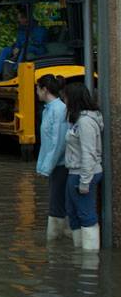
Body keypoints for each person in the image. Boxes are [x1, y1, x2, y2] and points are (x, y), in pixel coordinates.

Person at [62, 82, 103, 250]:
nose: (64, 102)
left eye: (65, 98)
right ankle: (80, 253)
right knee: (73, 212)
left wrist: (85, 181)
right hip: (76, 172)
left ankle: (90, 259)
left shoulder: (86, 123)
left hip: (84, 173)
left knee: (86, 215)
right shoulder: (79, 120)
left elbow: (89, 153)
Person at [35, 75, 68, 241]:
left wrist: (46, 167)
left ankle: (55, 243)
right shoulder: (48, 110)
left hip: (60, 166)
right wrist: (42, 166)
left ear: (44, 89)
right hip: (55, 166)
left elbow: (58, 143)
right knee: (56, 204)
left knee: (56, 207)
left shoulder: (58, 110)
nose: (36, 92)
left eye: (37, 88)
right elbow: (47, 144)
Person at [0, 7, 47, 77]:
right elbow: (18, 43)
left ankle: (15, 71)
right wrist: (16, 48)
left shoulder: (40, 29)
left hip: (38, 50)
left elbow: (37, 43)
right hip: (23, 49)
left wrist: (20, 48)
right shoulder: (21, 31)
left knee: (24, 50)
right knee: (6, 50)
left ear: (27, 18)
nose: (18, 20)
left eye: (20, 18)